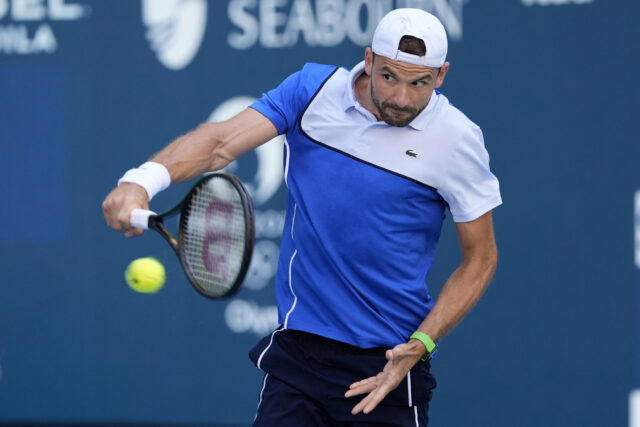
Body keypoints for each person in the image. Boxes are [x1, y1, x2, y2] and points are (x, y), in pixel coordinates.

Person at [103, 8, 501, 427]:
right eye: (389, 77)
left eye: (419, 83)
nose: (402, 98)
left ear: (441, 76)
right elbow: (221, 143)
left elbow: (481, 259)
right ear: (368, 61)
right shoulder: (313, 91)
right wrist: (141, 181)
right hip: (298, 357)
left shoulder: (457, 140)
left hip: (386, 365)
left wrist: (422, 343)